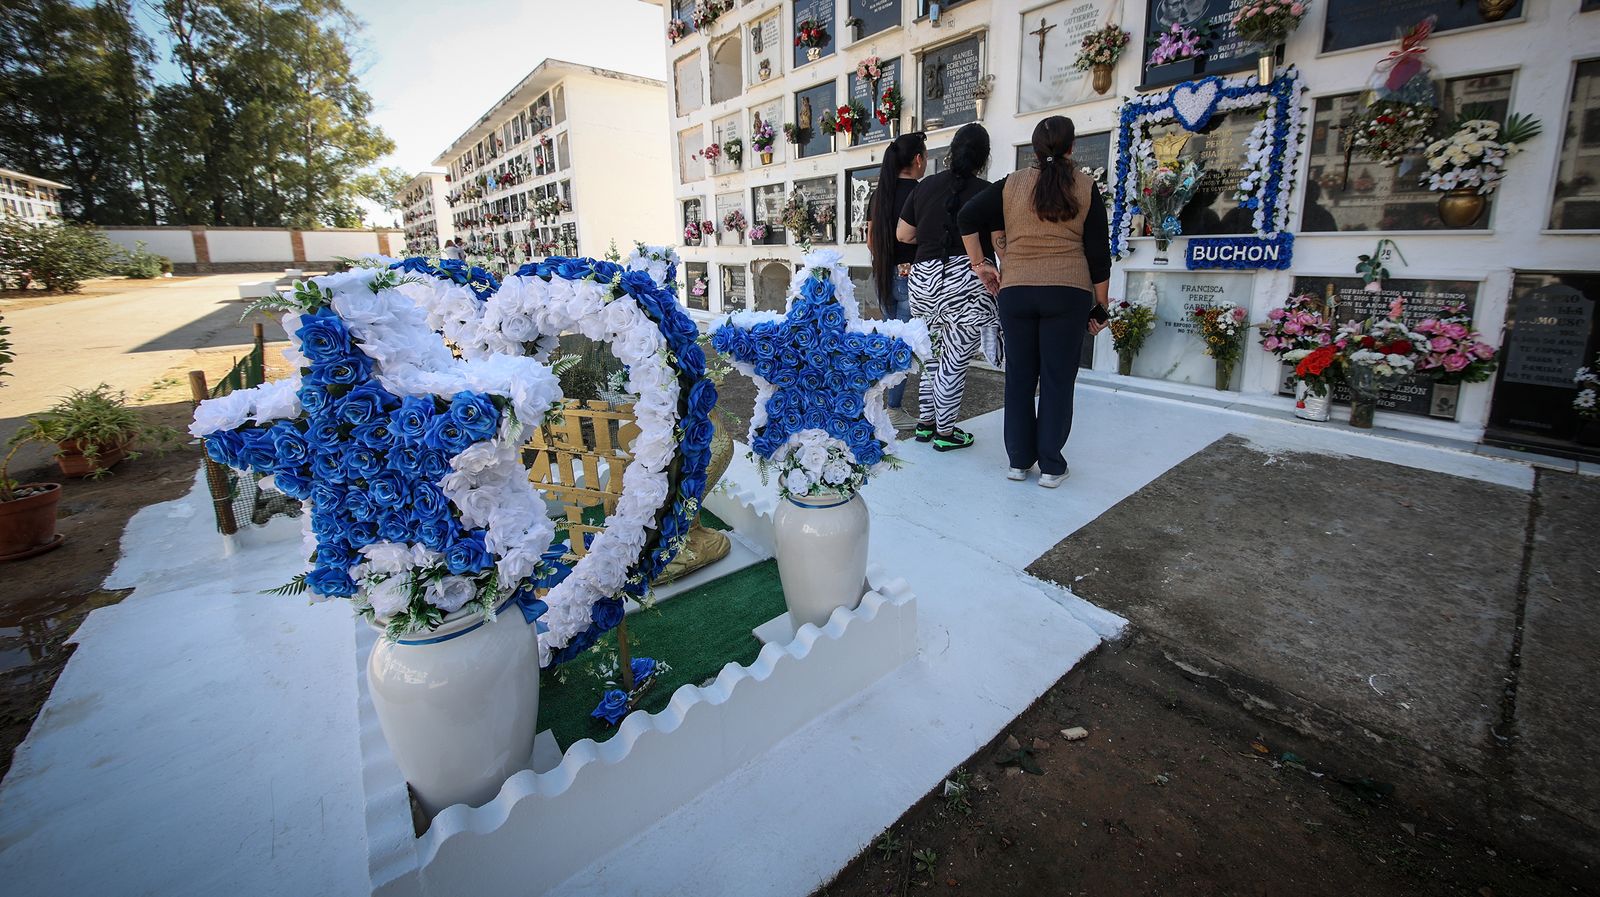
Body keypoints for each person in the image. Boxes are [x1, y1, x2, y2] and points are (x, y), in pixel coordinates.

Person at [958, 115, 1111, 488]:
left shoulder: (1012, 185)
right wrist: (1101, 307)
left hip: (1017, 291)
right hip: (1068, 292)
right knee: (1058, 380)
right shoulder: (1087, 187)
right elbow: (1098, 254)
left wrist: (981, 264)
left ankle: (1018, 462)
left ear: (1034, 149)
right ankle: (1052, 467)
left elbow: (967, 215)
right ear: (1072, 147)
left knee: (1020, 379)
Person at [897, 123, 995, 452]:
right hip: (966, 277)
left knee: (931, 355)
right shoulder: (987, 191)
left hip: (923, 278)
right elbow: (999, 241)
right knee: (954, 358)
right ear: (983, 158)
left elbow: (903, 236)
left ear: (951, 152)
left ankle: (926, 424)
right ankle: (946, 432)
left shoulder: (922, 189)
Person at [866, 131, 927, 427]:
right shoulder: (921, 191)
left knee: (889, 341)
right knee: (905, 345)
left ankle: (877, 404)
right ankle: (893, 409)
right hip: (910, 276)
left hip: (883, 276)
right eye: (925, 156)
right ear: (917, 159)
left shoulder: (880, 194)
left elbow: (870, 241)